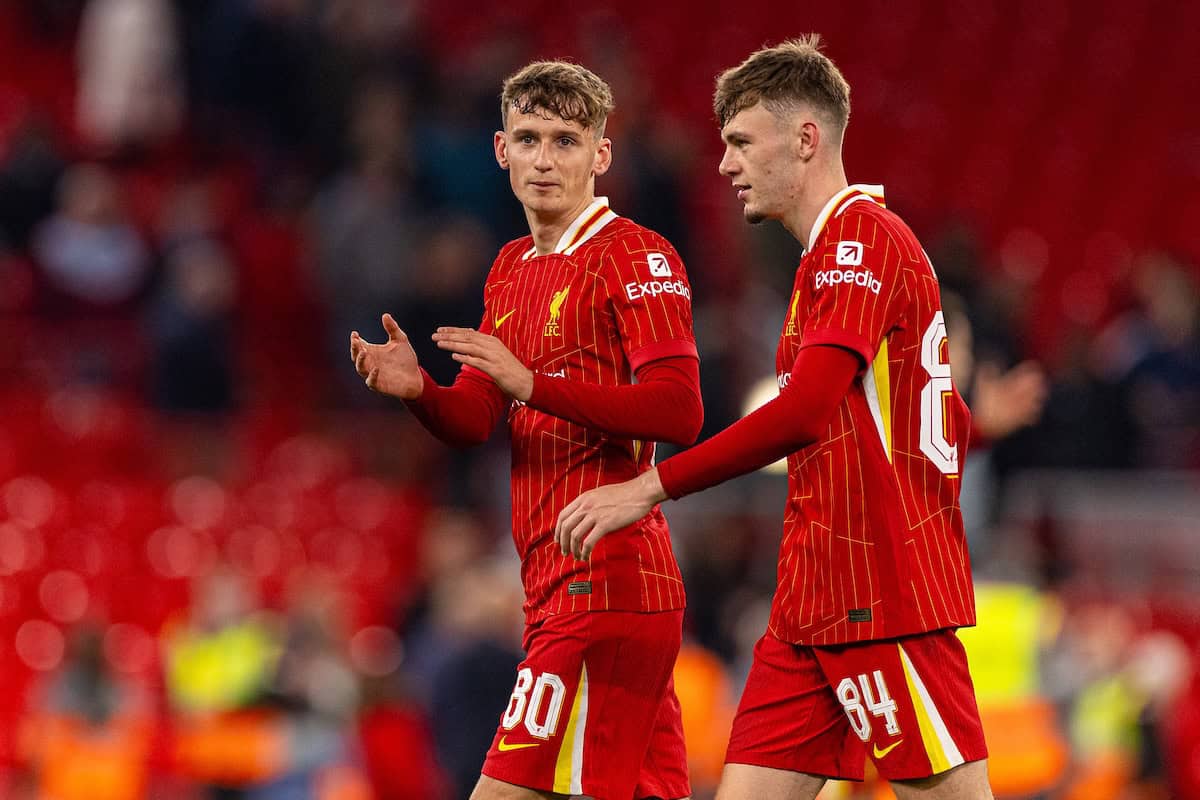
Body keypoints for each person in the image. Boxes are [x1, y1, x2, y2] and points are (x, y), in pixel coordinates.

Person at [556, 37, 994, 799]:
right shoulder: (830, 259)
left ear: (805, 138)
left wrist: (647, 487)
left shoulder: (859, 241)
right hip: (810, 605)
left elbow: (804, 412)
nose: (724, 164)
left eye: (740, 141)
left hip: (880, 596)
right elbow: (930, 424)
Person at [349, 60, 700, 800]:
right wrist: (420, 393)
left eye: (567, 141)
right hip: (553, 586)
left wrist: (532, 385)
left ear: (600, 156)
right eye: (530, 138)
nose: (545, 159)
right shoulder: (509, 267)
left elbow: (679, 409)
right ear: (501, 149)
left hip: (606, 582)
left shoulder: (636, 255)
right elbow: (477, 415)